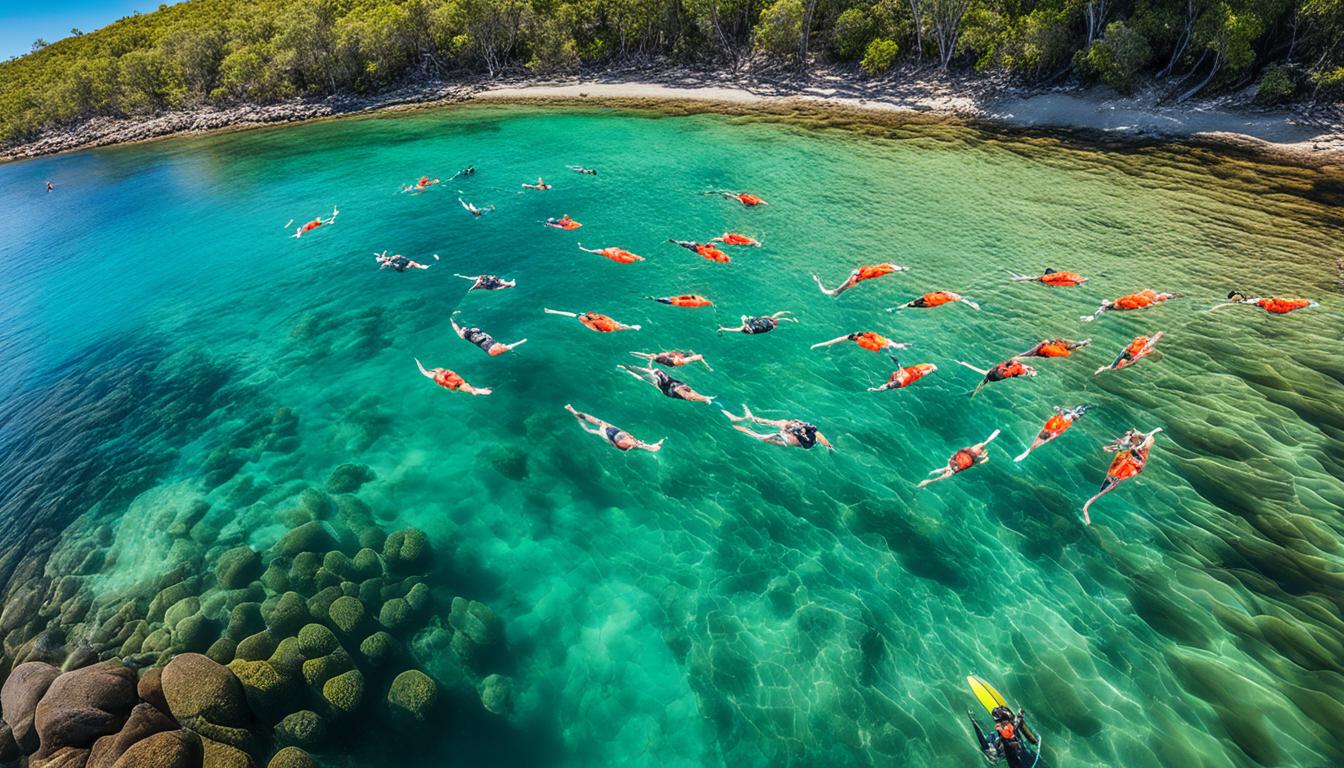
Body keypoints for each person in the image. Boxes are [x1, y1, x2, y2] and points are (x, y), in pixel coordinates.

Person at [1083, 428, 1162, 524]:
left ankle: (1093, 502)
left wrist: (1135, 443)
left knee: (1114, 477)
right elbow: (1123, 448)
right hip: (1130, 460)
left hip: (1133, 461)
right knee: (1113, 477)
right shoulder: (1133, 445)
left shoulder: (1142, 446)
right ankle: (1094, 501)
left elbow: (1144, 444)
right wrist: (1113, 447)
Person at [722, 405, 833, 450]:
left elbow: (759, 436)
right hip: (796, 438)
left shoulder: (787, 439)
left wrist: (742, 429)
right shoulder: (812, 434)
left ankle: (752, 419)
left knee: (764, 436)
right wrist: (830, 448)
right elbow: (825, 443)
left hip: (789, 438)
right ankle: (752, 418)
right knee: (781, 424)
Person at [916, 430, 1000, 487]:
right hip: (955, 468)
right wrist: (985, 458)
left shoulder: (967, 449)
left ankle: (931, 474)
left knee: (945, 470)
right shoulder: (976, 459)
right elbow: (976, 464)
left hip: (952, 463)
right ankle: (927, 482)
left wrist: (949, 463)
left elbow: (954, 455)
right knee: (941, 478)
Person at [566, 404, 663, 452]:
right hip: (615, 434)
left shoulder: (631, 444)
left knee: (589, 429)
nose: (633, 437)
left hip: (613, 435)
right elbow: (628, 437)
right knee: (592, 427)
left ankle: (574, 413)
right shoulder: (634, 443)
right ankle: (575, 413)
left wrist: (655, 446)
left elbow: (616, 443)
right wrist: (656, 446)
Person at [970, 705, 1041, 768]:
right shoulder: (996, 742)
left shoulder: (1009, 734)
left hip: (1017, 754)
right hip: (1009, 752)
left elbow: (1033, 741)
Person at [1014, 405, 1090, 462]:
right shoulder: (1054, 428)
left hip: (1061, 421)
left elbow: (1057, 419)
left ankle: (1088, 407)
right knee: (1083, 408)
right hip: (1062, 422)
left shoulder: (1052, 427)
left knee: (1081, 408)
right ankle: (1088, 406)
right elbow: (1056, 425)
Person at [618, 364, 715, 403]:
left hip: (671, 385)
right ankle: (704, 399)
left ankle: (703, 398)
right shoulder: (654, 376)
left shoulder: (655, 373)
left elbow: (686, 392)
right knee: (684, 393)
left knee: (686, 390)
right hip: (670, 387)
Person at [450, 313, 527, 357]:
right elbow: (457, 329)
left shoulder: (469, 332)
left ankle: (518, 343)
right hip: (488, 344)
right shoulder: (469, 332)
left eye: (464, 328)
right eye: (464, 329)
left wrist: (452, 321)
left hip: (488, 345)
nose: (464, 328)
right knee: (506, 347)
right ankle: (519, 343)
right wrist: (452, 321)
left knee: (506, 347)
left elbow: (457, 329)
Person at [813, 263, 908, 297]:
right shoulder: (857, 277)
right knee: (832, 292)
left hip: (857, 277)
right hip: (858, 277)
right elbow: (883, 269)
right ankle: (899, 268)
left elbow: (882, 269)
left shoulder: (854, 279)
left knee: (832, 292)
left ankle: (899, 268)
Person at [1081, 289, 1180, 321]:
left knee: (1153, 300)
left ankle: (1170, 296)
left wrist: (1093, 317)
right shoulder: (1117, 303)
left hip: (1140, 301)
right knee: (1155, 298)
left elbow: (1101, 310)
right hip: (1142, 299)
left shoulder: (1113, 306)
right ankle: (1171, 295)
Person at [957, 359, 1037, 397]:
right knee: (985, 381)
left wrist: (991, 370)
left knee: (985, 380)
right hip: (996, 376)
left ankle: (975, 392)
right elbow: (1015, 373)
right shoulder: (1021, 371)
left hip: (995, 374)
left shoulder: (1015, 367)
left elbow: (1004, 365)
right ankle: (975, 392)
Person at [811, 331, 909, 361]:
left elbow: (873, 347)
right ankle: (908, 345)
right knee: (900, 346)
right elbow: (873, 335)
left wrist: (880, 348)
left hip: (884, 346)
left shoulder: (861, 342)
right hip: (886, 341)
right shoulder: (864, 336)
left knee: (893, 356)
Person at [415, 358, 491, 396]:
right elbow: (425, 372)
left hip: (456, 383)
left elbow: (424, 371)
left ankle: (480, 390)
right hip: (456, 383)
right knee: (467, 387)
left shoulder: (436, 376)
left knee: (466, 387)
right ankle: (479, 391)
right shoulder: (439, 375)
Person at [1095, 332, 1162, 375]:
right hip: (1128, 354)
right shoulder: (1144, 344)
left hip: (1129, 354)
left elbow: (1136, 350)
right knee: (1115, 367)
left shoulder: (1144, 344)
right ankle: (1103, 369)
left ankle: (1104, 369)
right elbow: (1136, 351)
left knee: (1116, 367)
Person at [1210, 291, 1318, 314]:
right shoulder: (1240, 303)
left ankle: (1308, 303)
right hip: (1267, 304)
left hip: (1268, 302)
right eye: (1235, 296)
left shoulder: (1244, 299)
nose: (1237, 296)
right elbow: (1226, 305)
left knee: (1292, 304)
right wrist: (1214, 309)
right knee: (1290, 305)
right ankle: (1308, 304)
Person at [544, 308, 640, 332]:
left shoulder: (591, 319)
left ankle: (632, 327)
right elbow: (569, 314)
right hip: (606, 326)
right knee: (619, 326)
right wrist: (552, 311)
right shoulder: (589, 321)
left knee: (619, 326)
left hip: (607, 325)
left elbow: (606, 319)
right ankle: (632, 327)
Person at [869, 362, 937, 391]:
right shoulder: (900, 378)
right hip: (909, 375)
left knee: (889, 385)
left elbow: (899, 365)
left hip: (908, 374)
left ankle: (931, 367)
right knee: (923, 370)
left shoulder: (897, 376)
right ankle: (931, 368)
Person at [888, 291, 980, 311]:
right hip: (926, 298)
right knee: (910, 304)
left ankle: (897, 309)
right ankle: (897, 308)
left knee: (912, 305)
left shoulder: (952, 297)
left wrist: (972, 305)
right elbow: (935, 292)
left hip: (929, 303)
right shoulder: (946, 293)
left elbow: (964, 300)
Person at [719, 311, 796, 335]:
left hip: (759, 326)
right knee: (775, 317)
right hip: (759, 326)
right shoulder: (747, 327)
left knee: (775, 317)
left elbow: (736, 329)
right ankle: (786, 316)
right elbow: (737, 329)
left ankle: (786, 316)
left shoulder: (748, 326)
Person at [630, 350, 712, 371]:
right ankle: (708, 367)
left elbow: (644, 355)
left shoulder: (657, 357)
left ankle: (706, 365)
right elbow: (649, 362)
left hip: (673, 363)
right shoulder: (655, 358)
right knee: (699, 357)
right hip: (675, 362)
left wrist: (634, 353)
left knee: (692, 356)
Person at [1017, 338, 1091, 358]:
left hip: (1045, 351)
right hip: (1046, 351)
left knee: (1028, 354)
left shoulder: (1059, 348)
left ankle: (1083, 343)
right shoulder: (1061, 348)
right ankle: (1083, 343)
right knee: (1072, 347)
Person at [1009, 268, 1086, 287]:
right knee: (1035, 279)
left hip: (1048, 277)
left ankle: (1020, 279)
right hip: (1047, 279)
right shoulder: (1075, 278)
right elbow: (1071, 280)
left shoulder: (1075, 276)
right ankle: (1019, 279)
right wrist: (1079, 283)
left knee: (1035, 278)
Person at [578, 244, 643, 264]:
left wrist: (581, 247)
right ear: (600, 252)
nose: (598, 249)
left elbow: (589, 250)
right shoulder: (607, 252)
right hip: (621, 257)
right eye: (598, 250)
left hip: (620, 256)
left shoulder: (606, 251)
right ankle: (639, 258)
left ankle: (639, 258)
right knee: (631, 258)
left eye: (598, 249)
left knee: (630, 256)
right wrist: (618, 252)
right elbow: (591, 251)